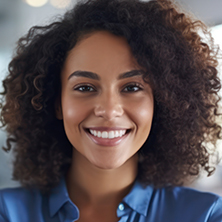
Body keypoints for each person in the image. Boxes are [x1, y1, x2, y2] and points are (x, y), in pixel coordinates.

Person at [0, 0, 222, 221]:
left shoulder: (206, 215)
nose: (108, 110)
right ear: (57, 102)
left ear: (161, 102)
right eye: (85, 87)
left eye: (132, 87)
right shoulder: (7, 213)